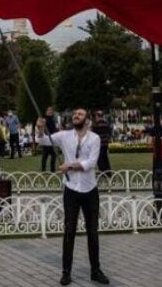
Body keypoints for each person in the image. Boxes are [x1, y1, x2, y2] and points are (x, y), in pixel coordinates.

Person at [36, 109, 109, 286]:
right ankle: (66, 272)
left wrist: (69, 166)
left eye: (81, 114)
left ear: (87, 120)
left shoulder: (94, 139)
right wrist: (40, 129)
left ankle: (95, 270)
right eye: (75, 114)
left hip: (90, 189)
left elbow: (91, 163)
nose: (76, 115)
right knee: (69, 231)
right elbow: (43, 141)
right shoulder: (65, 135)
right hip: (71, 190)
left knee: (93, 231)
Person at [92, 110, 112, 175]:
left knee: (100, 157)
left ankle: (102, 171)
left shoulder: (96, 124)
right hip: (105, 142)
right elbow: (109, 131)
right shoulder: (106, 123)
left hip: (99, 143)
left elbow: (93, 133)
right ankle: (108, 171)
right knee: (105, 157)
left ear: (97, 116)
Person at [41, 106, 59, 173]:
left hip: (52, 139)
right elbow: (45, 128)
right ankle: (43, 169)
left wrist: (56, 131)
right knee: (45, 155)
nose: (50, 112)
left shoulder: (53, 119)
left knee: (53, 155)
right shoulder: (45, 119)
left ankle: (52, 169)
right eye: (49, 110)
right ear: (47, 112)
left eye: (51, 111)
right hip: (47, 139)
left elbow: (53, 128)